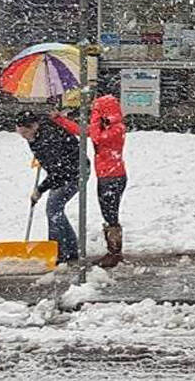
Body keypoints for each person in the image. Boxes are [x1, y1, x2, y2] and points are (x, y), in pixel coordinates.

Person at [51, 95, 127, 268]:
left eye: (97, 110)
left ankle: (115, 253)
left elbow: (97, 138)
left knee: (111, 215)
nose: (95, 113)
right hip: (105, 175)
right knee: (108, 214)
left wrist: (94, 118)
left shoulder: (117, 128)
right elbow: (82, 131)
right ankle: (113, 251)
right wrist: (60, 120)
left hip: (114, 177)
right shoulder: (106, 126)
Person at [15, 110, 88, 265]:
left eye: (26, 133)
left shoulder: (49, 139)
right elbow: (52, 164)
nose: (24, 136)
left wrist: (40, 190)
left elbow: (58, 170)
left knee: (53, 209)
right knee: (56, 209)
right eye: (21, 133)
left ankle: (59, 252)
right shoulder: (37, 133)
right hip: (64, 171)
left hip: (75, 172)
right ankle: (71, 249)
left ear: (34, 126)